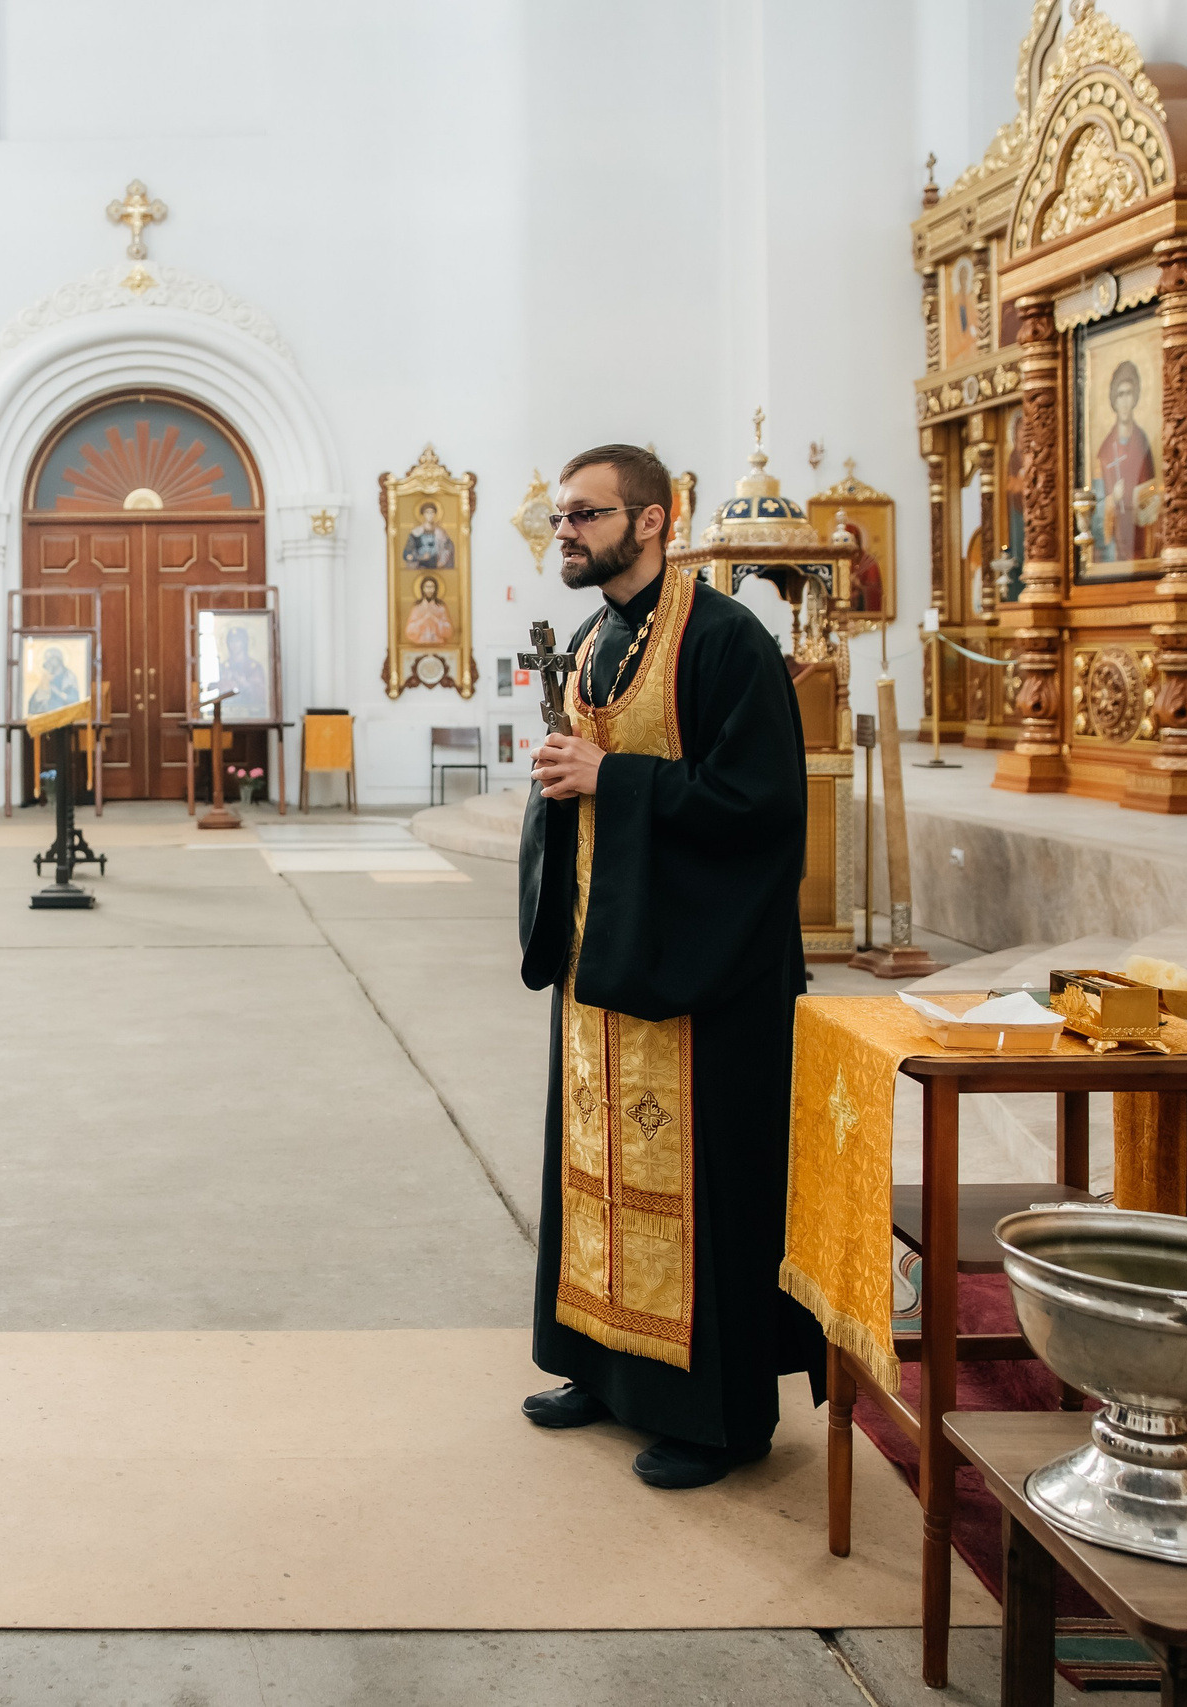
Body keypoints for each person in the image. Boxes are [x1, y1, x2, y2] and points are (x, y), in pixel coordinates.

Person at [518, 442, 822, 1490]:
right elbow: (597, 783)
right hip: (610, 963)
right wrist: (565, 784)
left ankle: (719, 1419)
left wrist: (613, 777)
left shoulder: (727, 642)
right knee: (596, 1168)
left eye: (587, 515)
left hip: (706, 975)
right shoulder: (601, 635)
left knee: (707, 1191)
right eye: (561, 516)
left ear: (652, 520)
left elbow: (765, 811)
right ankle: (607, 1371)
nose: (566, 530)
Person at [1094, 358, 1158, 563]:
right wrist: (1113, 498)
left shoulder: (1142, 442)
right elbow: (1095, 505)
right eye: (1120, 395)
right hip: (1114, 540)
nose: (1124, 401)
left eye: (1129, 394)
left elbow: (1152, 490)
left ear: (1136, 397)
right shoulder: (1104, 451)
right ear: (1114, 399)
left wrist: (1148, 498)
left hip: (1141, 531)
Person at [403, 574, 455, 646]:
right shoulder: (417, 607)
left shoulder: (441, 607)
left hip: (438, 644)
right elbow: (409, 630)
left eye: (432, 587)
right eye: (427, 587)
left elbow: (449, 631)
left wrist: (435, 620)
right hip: (420, 644)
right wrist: (423, 620)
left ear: (435, 589)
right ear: (423, 589)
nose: (429, 590)